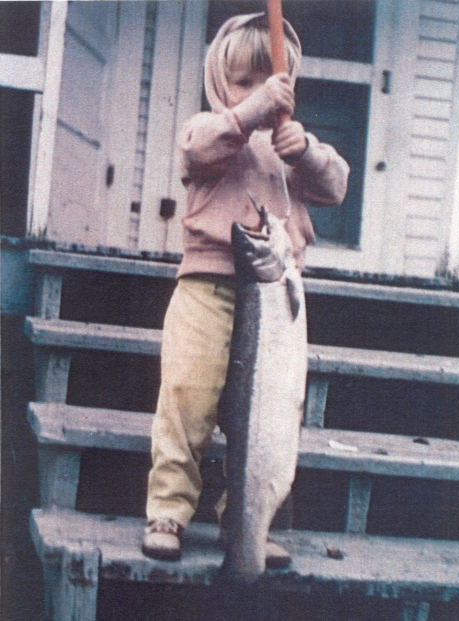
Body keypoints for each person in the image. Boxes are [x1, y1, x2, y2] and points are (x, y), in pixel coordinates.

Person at [142, 12, 349, 567]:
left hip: (276, 305)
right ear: (218, 83)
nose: (256, 94)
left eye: (268, 82)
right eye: (241, 81)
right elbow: (194, 151)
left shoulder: (290, 147)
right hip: (207, 292)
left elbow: (336, 185)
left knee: (268, 415)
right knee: (187, 398)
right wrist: (246, 114)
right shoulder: (213, 131)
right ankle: (169, 508)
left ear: (289, 86)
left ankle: (247, 517)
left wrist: (303, 149)